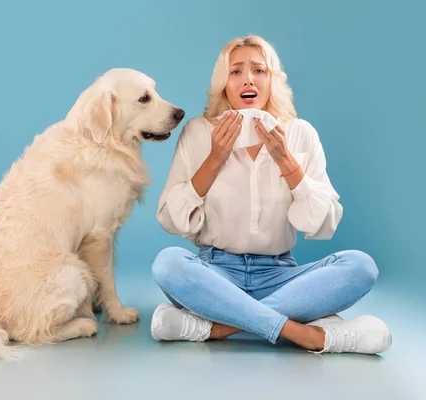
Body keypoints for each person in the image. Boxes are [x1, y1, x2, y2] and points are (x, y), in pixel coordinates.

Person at [150, 34, 392, 354]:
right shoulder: (199, 131)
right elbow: (170, 218)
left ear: (271, 80)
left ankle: (221, 326)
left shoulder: (300, 133)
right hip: (216, 274)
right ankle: (309, 334)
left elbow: (325, 223)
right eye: (235, 71)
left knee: (360, 266)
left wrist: (287, 162)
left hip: (282, 275)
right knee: (168, 263)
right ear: (224, 83)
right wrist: (214, 159)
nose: (247, 78)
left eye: (258, 70)